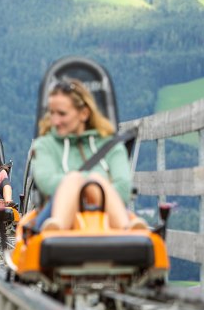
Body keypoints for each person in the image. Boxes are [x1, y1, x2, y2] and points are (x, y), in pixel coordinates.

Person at [31, 78, 146, 231]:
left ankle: (127, 231)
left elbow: (124, 188)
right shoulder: (45, 145)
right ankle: (56, 231)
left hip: (104, 214)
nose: (55, 121)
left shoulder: (110, 145)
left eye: (62, 114)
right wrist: (82, 183)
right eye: (51, 113)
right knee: (77, 180)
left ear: (84, 114)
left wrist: (93, 186)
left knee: (94, 181)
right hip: (54, 212)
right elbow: (46, 182)